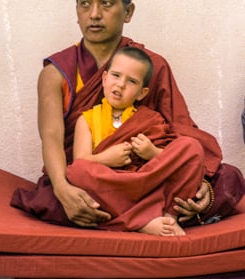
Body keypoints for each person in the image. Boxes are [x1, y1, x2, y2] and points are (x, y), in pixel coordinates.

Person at [11, 0, 245, 229]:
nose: (94, 14)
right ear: (77, 11)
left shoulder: (153, 66)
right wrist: (64, 190)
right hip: (98, 179)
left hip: (148, 174)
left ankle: (136, 215)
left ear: (128, 12)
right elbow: (52, 137)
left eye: (106, 3)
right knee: (55, 194)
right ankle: (155, 218)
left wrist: (199, 180)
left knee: (230, 178)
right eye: (85, 4)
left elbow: (180, 131)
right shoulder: (57, 73)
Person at [67, 46, 205, 236]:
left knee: (192, 147)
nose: (121, 84)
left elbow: (173, 162)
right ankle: (143, 221)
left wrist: (153, 153)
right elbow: (80, 161)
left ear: (142, 93)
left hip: (146, 185)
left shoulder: (150, 118)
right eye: (116, 75)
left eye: (131, 81)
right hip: (112, 187)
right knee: (77, 172)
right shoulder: (87, 119)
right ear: (104, 78)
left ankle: (168, 216)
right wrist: (106, 159)